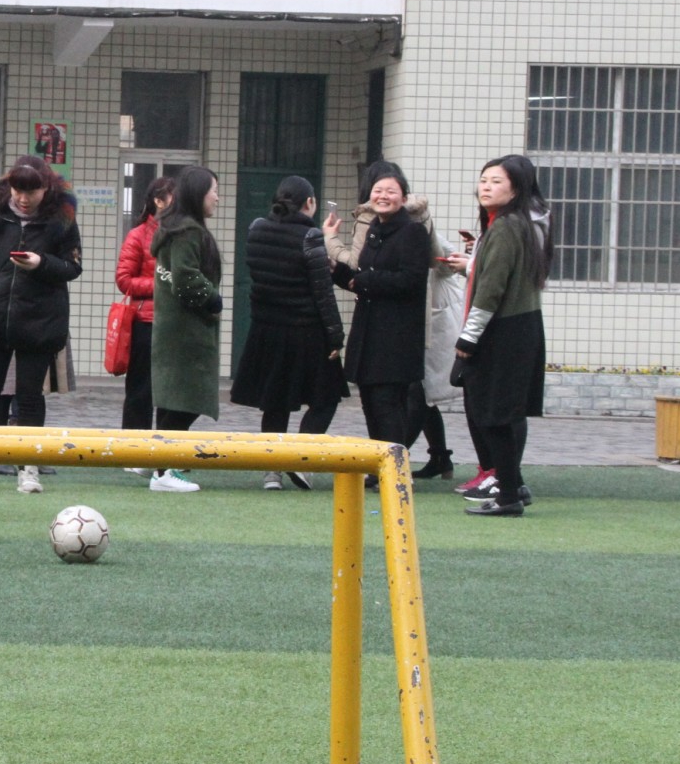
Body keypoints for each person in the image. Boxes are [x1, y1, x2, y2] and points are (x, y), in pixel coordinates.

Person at [0, 154, 81, 496]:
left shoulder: (61, 218)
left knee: (30, 395)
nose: (23, 198)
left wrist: (41, 263)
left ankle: (28, 467)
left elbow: (72, 266)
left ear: (45, 188)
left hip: (40, 320)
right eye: (17, 190)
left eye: (31, 192)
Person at [327, 160, 465, 480]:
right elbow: (361, 276)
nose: (383, 196)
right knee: (371, 402)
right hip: (369, 331)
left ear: (404, 198)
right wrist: (337, 271)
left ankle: (394, 474)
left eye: (391, 191)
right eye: (378, 191)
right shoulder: (374, 229)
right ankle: (381, 468)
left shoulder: (413, 232)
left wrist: (363, 280)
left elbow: (410, 280)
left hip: (397, 336)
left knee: (389, 405)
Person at [448, 155, 552, 517]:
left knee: (492, 415)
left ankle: (508, 495)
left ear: (517, 189)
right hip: (519, 327)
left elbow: (491, 290)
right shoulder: (521, 223)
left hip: (502, 330)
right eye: (483, 180)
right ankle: (513, 486)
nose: (486, 187)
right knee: (502, 414)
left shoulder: (507, 227)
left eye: (496, 181)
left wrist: (467, 340)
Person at [230, 175, 346, 491]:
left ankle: (272, 471)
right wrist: (336, 336)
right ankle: (302, 459)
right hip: (306, 331)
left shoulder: (256, 229)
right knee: (327, 396)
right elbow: (323, 292)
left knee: (275, 402)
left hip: (266, 331)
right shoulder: (310, 236)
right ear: (309, 202)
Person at [146, 165, 226, 493]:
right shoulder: (189, 232)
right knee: (187, 400)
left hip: (171, 327)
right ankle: (163, 470)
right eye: (213, 191)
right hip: (187, 330)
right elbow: (185, 277)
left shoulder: (172, 228)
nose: (217, 198)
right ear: (197, 194)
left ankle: (159, 465)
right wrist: (213, 299)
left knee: (171, 399)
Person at [115, 176, 172, 436]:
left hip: (176, 323)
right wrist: (162, 285)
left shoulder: (184, 234)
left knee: (171, 392)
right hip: (146, 324)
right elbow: (124, 280)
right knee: (141, 390)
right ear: (158, 201)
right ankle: (133, 447)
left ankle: (166, 447)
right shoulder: (137, 235)